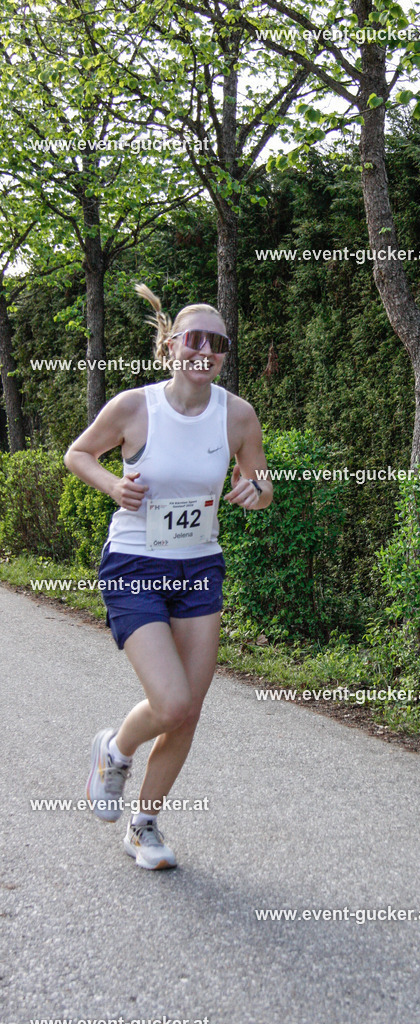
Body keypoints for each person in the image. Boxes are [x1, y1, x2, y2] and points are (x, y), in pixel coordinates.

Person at [64, 283, 273, 869]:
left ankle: (144, 825)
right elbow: (78, 454)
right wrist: (112, 484)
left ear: (225, 354)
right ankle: (115, 749)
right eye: (195, 338)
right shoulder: (135, 406)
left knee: (189, 710)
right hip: (134, 563)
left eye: (218, 342)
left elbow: (260, 478)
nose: (205, 349)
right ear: (173, 345)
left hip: (200, 565)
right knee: (172, 698)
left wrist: (254, 491)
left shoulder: (238, 415)